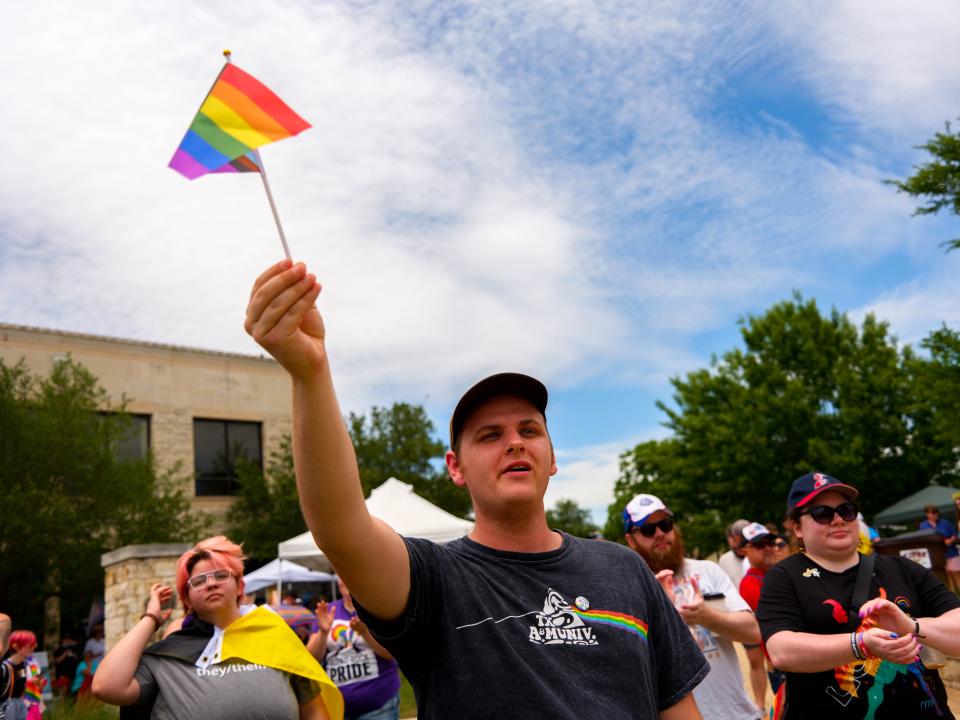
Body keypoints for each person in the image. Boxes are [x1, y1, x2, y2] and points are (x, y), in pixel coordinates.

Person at [245, 259, 708, 719]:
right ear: (456, 468)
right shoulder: (435, 579)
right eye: (489, 436)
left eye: (530, 430)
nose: (514, 443)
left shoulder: (624, 569)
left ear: (553, 456)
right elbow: (341, 527)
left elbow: (677, 710)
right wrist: (311, 373)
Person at [757, 471, 960, 719]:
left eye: (846, 510)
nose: (838, 519)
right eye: (823, 513)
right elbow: (781, 651)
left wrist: (911, 625)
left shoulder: (902, 568)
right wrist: (861, 644)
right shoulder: (783, 577)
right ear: (797, 526)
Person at [92, 535, 342, 720]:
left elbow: (313, 711)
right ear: (187, 599)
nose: (211, 584)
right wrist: (150, 618)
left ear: (240, 587)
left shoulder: (275, 634)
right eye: (199, 581)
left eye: (221, 575)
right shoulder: (167, 655)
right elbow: (106, 687)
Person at [624, 494, 762, 720]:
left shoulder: (709, 570)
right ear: (631, 540)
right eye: (648, 529)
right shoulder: (628, 587)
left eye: (665, 525)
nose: (660, 533)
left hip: (736, 714)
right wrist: (658, 611)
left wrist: (706, 616)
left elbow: (752, 632)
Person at [311, 578, 401, 720]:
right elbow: (311, 658)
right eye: (340, 575)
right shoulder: (327, 612)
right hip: (337, 710)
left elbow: (391, 653)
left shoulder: (377, 608)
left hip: (378, 708)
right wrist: (323, 632)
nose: (345, 579)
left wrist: (365, 632)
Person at [737, 522, 786, 714]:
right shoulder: (750, 583)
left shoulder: (775, 574)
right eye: (759, 545)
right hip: (782, 666)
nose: (767, 548)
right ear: (745, 550)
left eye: (769, 543)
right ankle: (759, 705)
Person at [1, 629, 41, 720]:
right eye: (29, 645)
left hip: (22, 706)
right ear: (16, 646)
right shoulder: (4, 668)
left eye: (34, 645)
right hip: (7, 709)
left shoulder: (27, 664)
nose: (34, 647)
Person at [920, 504, 959, 592]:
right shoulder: (923, 526)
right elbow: (923, 540)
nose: (934, 515)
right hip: (937, 555)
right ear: (927, 514)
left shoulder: (945, 522)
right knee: (945, 575)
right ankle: (951, 594)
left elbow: (954, 534)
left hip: (951, 552)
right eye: (932, 513)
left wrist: (950, 540)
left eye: (936, 512)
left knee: (956, 573)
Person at [718, 519, 750, 586]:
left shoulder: (758, 557)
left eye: (741, 546)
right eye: (734, 548)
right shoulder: (724, 560)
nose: (739, 550)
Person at [53, 630, 81, 696]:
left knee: (71, 694)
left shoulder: (74, 648)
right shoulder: (59, 649)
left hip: (73, 675)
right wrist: (65, 654)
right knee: (63, 694)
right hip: (63, 675)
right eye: (67, 639)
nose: (68, 641)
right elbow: (57, 661)